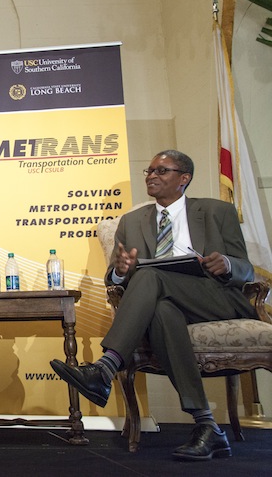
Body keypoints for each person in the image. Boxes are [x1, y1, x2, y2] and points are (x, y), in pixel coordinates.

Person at [51, 150, 257, 461]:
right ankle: (207, 427)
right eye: (149, 170)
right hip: (162, 302)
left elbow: (247, 270)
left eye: (162, 171)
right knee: (159, 306)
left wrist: (227, 263)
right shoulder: (131, 222)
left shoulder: (216, 211)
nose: (152, 176)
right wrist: (120, 270)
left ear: (183, 179)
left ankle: (105, 368)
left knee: (148, 277)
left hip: (213, 297)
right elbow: (114, 277)